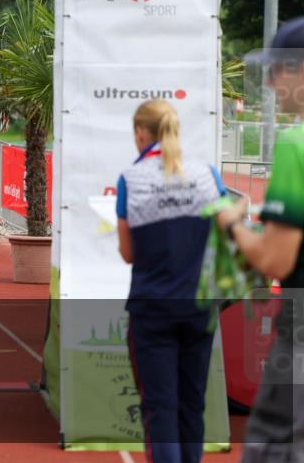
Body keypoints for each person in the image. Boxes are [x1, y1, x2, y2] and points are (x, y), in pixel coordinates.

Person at [214, 16, 304, 462]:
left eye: (276, 71)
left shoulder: (299, 146)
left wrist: (232, 222)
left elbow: (274, 260)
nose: (270, 83)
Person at [115, 99, 227, 463]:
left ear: (141, 133)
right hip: (199, 306)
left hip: (153, 308)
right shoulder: (207, 175)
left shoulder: (131, 179)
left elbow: (128, 253)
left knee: (159, 408)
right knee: (192, 405)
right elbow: (228, 232)